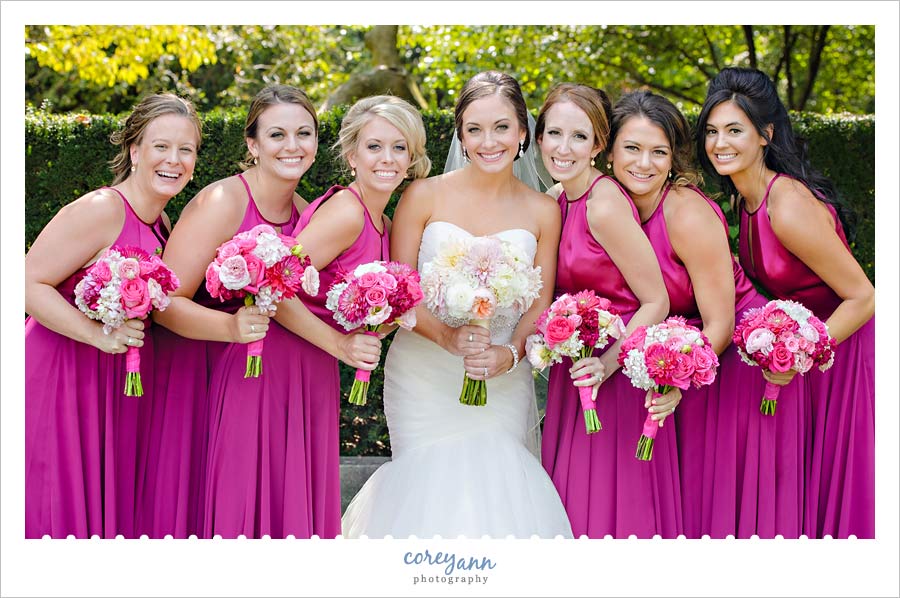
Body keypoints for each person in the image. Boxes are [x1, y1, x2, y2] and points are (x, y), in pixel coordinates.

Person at [342, 71, 572, 539]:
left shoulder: (543, 210)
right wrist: (447, 335)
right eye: (475, 129)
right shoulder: (422, 195)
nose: (489, 141)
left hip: (501, 376)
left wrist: (508, 356)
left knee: (501, 489)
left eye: (502, 127)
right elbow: (401, 290)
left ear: (524, 131)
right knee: (427, 490)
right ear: (460, 134)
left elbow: (540, 301)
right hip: (423, 373)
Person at [153, 85, 377, 539]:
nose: (292, 146)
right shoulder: (224, 202)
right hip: (231, 379)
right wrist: (231, 325)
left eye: (304, 133)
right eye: (277, 134)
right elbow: (165, 303)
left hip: (297, 382)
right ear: (253, 144)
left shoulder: (307, 211)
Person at [607, 90, 806, 538]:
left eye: (659, 152)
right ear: (610, 151)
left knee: (725, 506)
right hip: (685, 359)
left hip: (734, 363)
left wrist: (679, 380)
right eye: (632, 149)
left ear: (674, 159)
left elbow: (721, 322)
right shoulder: (610, 204)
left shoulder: (685, 212)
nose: (644, 163)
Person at [697, 67, 875, 539]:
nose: (720, 143)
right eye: (712, 131)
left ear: (765, 135)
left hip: (844, 348)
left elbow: (863, 296)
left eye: (734, 130)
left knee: (842, 486)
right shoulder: (743, 199)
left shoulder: (787, 205)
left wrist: (801, 355)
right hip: (810, 352)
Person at [25, 93, 201, 538]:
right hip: (61, 380)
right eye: (161, 146)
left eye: (187, 149)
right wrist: (94, 333)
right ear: (134, 150)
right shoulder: (103, 209)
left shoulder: (163, 225)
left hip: (111, 391)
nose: (174, 160)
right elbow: (26, 284)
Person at [273, 94, 431, 537]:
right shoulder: (346, 212)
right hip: (284, 360)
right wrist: (340, 344)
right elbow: (274, 288)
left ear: (412, 156)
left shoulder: (382, 220)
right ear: (351, 154)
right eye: (374, 146)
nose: (388, 159)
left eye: (400, 147)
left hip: (314, 367)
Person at [535, 83, 677, 538]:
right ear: (538, 139)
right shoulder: (559, 199)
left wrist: (606, 365)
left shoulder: (604, 204)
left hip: (611, 378)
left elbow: (656, 300)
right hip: (575, 372)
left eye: (579, 136)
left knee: (608, 513)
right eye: (554, 133)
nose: (563, 147)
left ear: (599, 144)